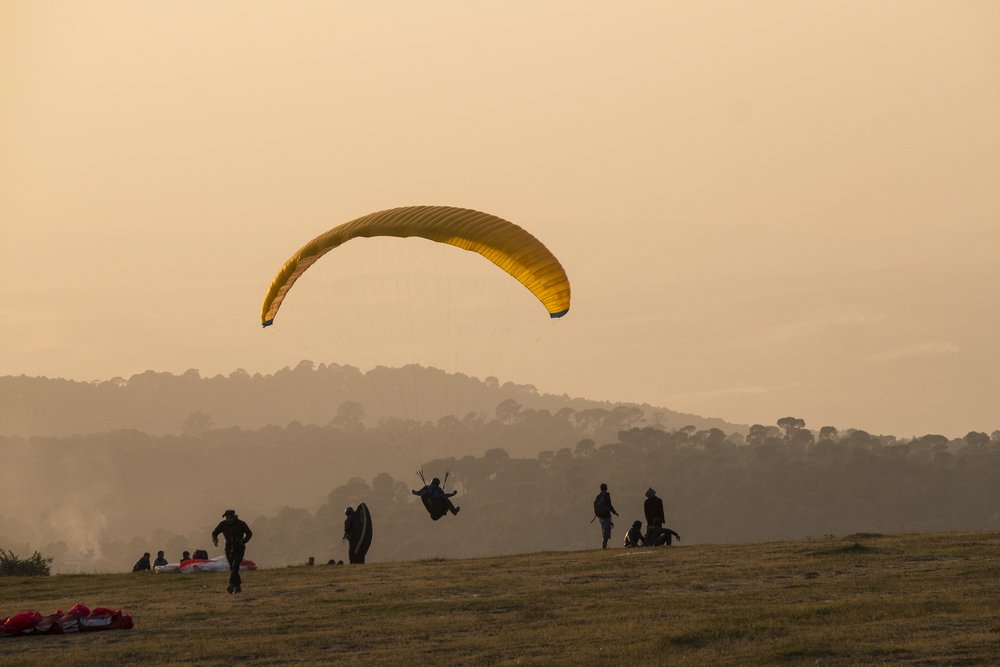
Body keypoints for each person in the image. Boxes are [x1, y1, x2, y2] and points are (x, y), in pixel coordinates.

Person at [211, 509, 253, 594]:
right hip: (229, 549)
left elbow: (249, 533)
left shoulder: (241, 524)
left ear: (234, 517)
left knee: (235, 566)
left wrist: (244, 541)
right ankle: (238, 586)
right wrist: (215, 540)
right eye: (227, 518)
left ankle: (231, 585)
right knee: (232, 567)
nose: (228, 520)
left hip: (239, 548)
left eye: (230, 518)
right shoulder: (223, 524)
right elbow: (214, 533)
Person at [593, 483, 619, 549]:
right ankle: (604, 548)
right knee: (606, 535)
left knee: (604, 534)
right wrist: (614, 512)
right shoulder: (606, 495)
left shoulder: (598, 496)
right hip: (606, 517)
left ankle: (604, 547)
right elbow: (609, 505)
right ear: (606, 488)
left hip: (600, 517)